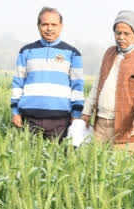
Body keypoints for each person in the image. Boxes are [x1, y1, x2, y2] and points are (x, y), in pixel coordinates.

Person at [81, 11, 134, 159]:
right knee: (98, 167)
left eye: (126, 33)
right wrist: (86, 112)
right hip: (102, 125)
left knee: (127, 171)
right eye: (118, 33)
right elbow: (97, 86)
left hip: (127, 128)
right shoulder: (109, 54)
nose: (121, 37)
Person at [10, 7, 84, 140]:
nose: (49, 29)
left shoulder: (72, 53)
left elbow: (77, 87)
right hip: (30, 118)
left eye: (54, 25)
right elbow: (18, 83)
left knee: (58, 159)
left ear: (61, 27)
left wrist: (76, 115)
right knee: (27, 158)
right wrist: (15, 112)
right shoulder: (26, 51)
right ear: (38, 26)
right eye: (45, 24)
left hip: (60, 120)